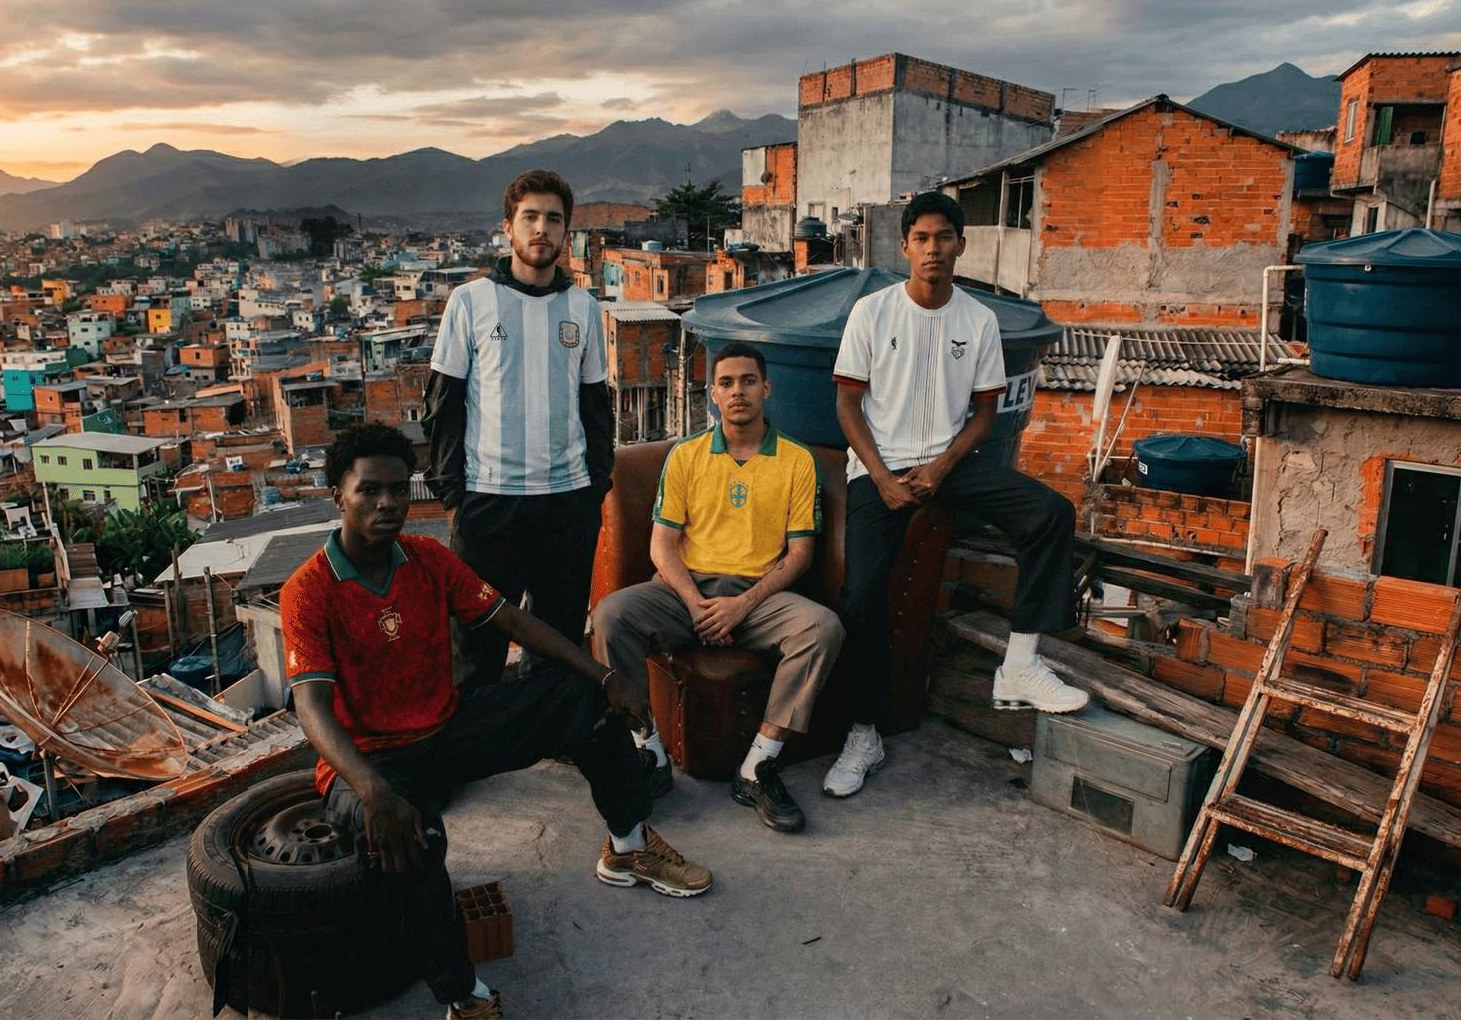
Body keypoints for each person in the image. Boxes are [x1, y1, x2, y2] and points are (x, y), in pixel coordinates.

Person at [286, 425, 712, 1020]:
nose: (387, 504)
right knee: (416, 841)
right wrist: (372, 790)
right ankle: (464, 997)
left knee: (581, 700)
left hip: (446, 726)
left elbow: (511, 620)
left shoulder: (428, 559)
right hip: (371, 760)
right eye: (369, 490)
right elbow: (311, 706)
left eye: (398, 490)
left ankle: (628, 846)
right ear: (338, 495)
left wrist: (604, 677)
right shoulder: (308, 590)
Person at [822, 192, 1087, 800]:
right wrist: (882, 477)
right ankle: (864, 733)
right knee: (861, 596)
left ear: (961, 245)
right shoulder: (872, 313)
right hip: (882, 469)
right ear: (905, 246)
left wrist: (942, 467)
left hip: (951, 463)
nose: (933, 249)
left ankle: (1020, 663)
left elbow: (986, 414)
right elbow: (847, 405)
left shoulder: (979, 320)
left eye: (944, 237)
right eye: (921, 238)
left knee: (1051, 514)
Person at [590, 343, 843, 832]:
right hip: (686, 589)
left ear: (766, 388)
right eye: (726, 383)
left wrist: (740, 606)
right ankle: (648, 751)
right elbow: (662, 546)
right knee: (611, 616)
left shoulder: (797, 460)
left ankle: (758, 766)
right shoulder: (686, 455)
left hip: (759, 595)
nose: (737, 391)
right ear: (712, 394)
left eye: (748, 381)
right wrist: (697, 605)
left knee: (823, 628)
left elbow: (800, 556)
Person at [426, 169, 613, 690]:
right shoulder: (470, 302)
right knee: (476, 645)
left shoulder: (584, 308)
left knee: (558, 644)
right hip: (490, 502)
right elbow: (443, 407)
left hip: (567, 503)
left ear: (565, 232)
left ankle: (547, 733)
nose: (541, 228)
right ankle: (477, 736)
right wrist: (454, 501)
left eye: (553, 219)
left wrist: (595, 490)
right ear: (508, 227)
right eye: (529, 217)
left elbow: (596, 408)